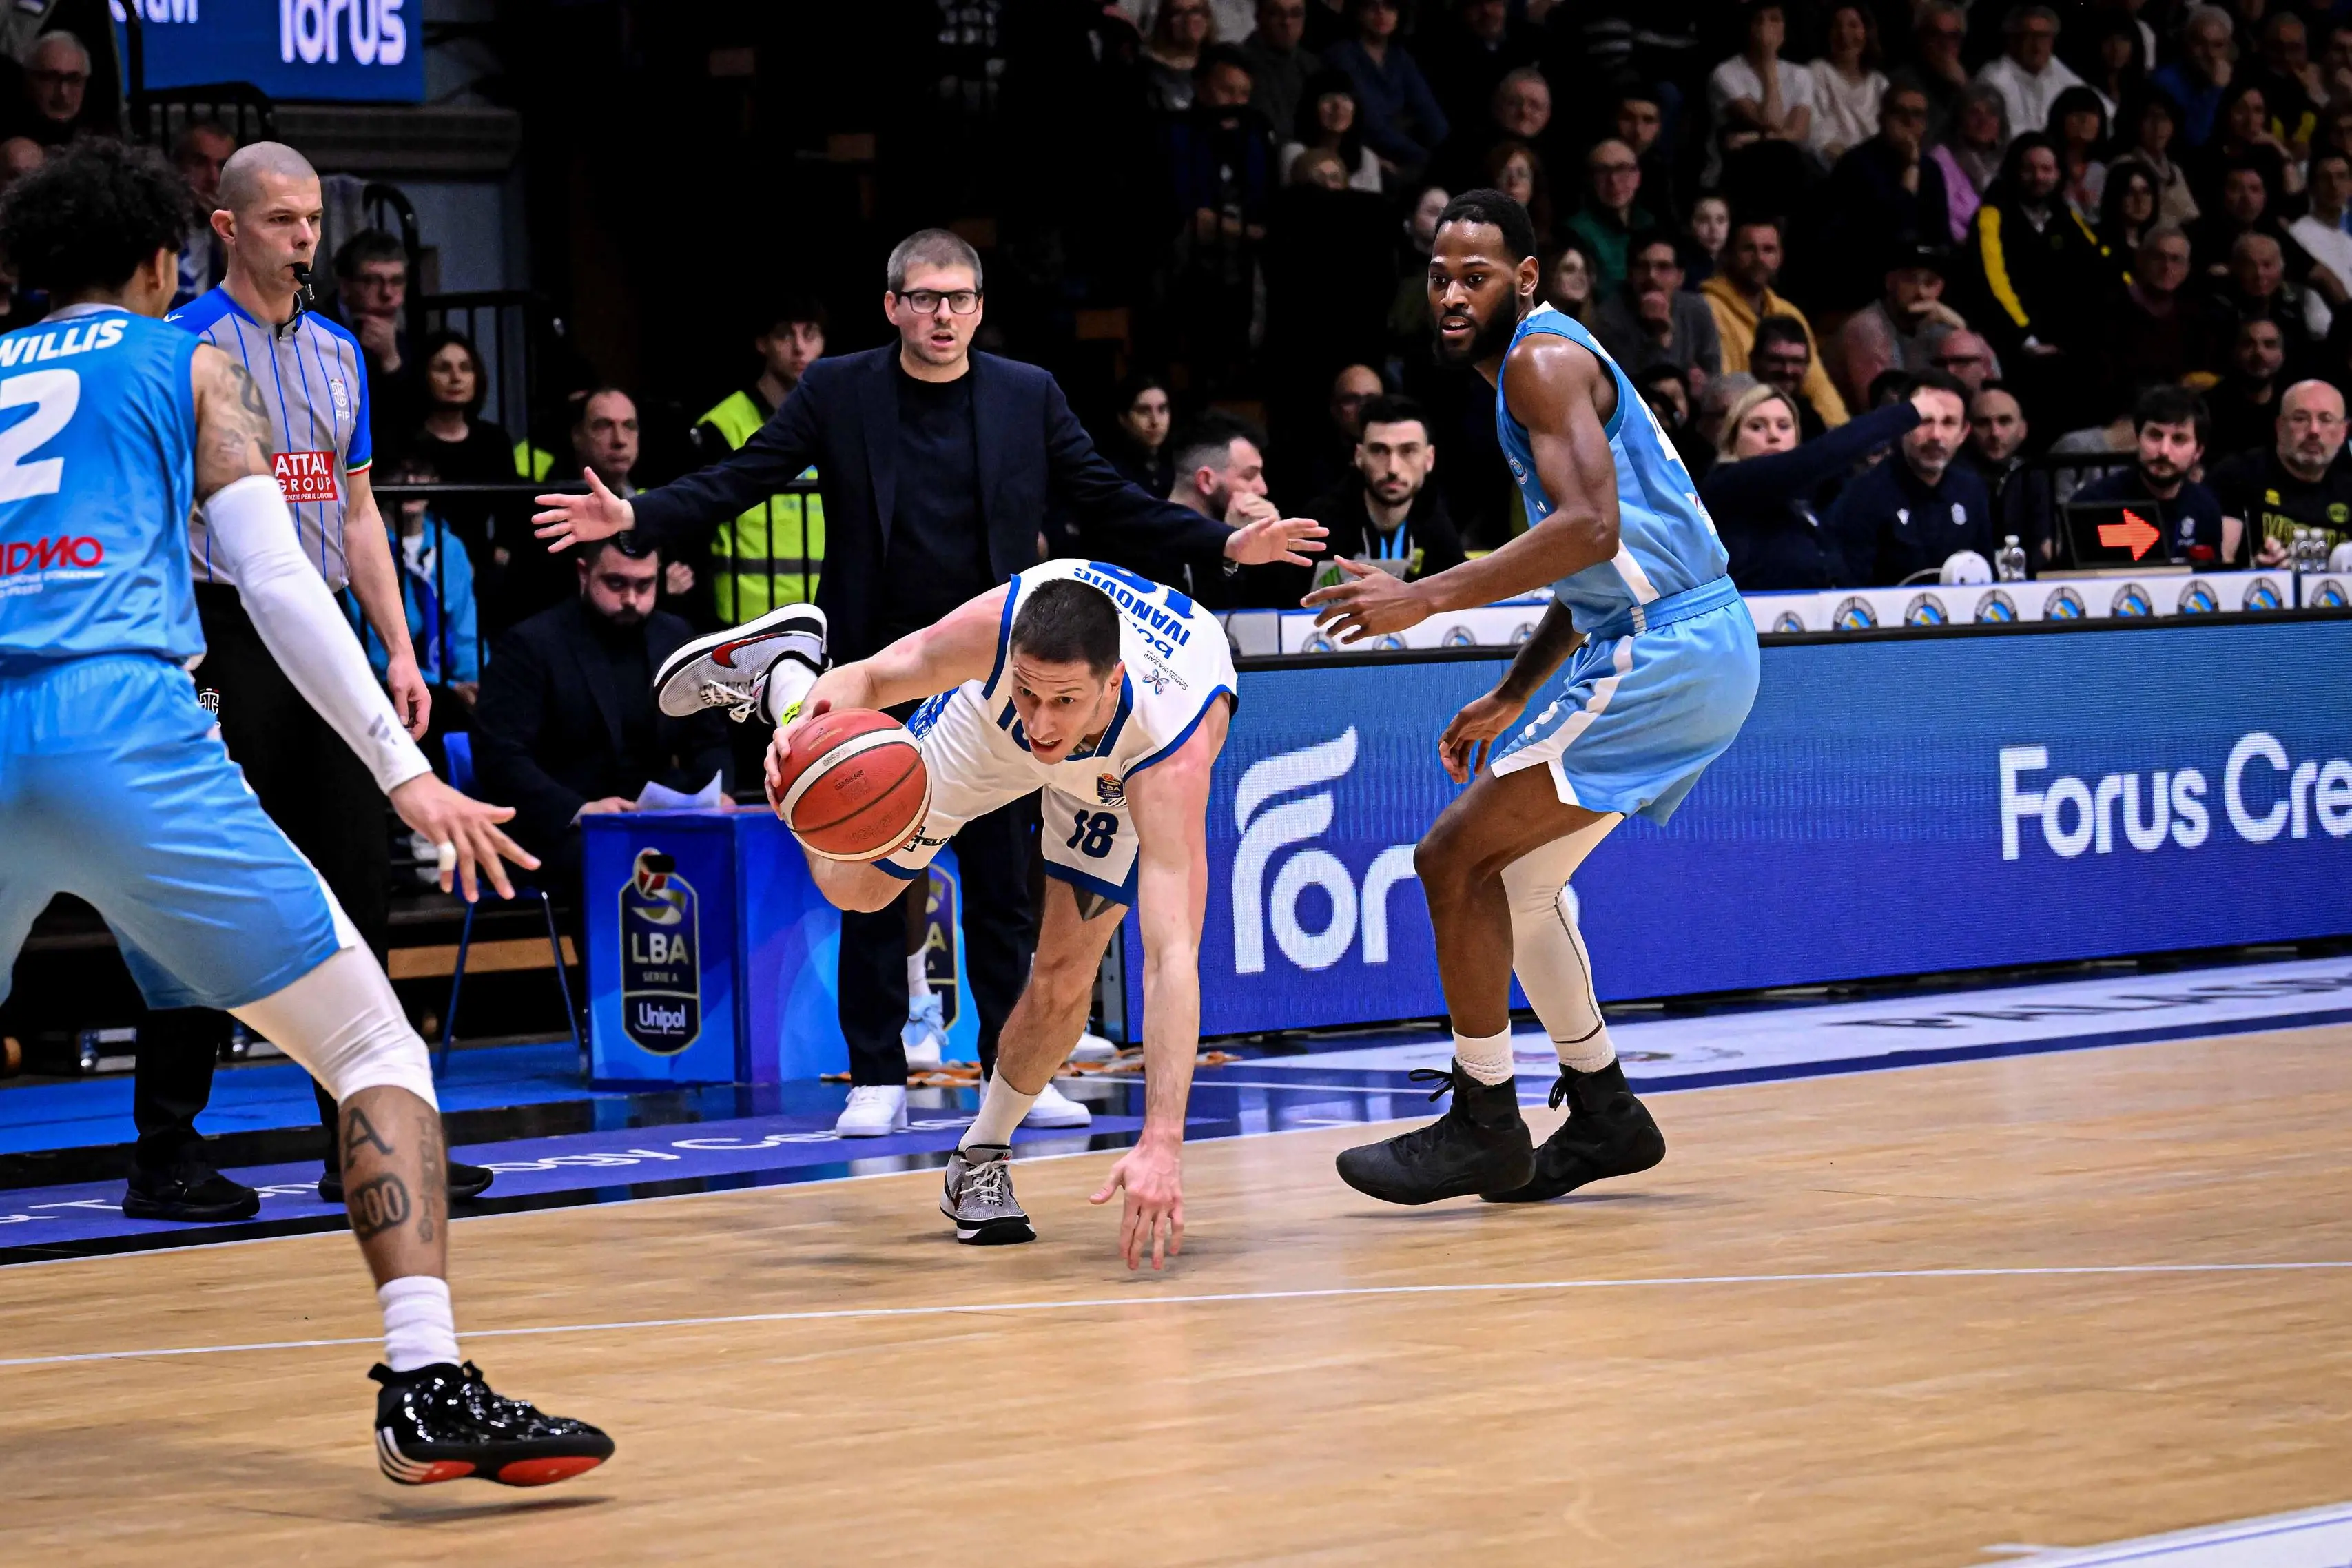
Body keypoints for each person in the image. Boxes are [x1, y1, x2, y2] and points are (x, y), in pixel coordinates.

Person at [0, 138, 609, 1486]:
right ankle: (427, 1381)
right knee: (374, 1042)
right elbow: (280, 580)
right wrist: (405, 768)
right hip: (125, 716)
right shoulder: (185, 360)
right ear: (161, 259)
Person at [530, 228, 1322, 1137]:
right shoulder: (839, 389)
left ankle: (1010, 1071)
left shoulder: (1027, 393)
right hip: (884, 659)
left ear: (980, 309)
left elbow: (1107, 499)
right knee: (868, 852)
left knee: (1002, 879)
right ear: (892, 306)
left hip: (999, 663)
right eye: (924, 297)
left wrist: (1224, 542)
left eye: (958, 298)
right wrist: (636, 516)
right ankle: (876, 1073)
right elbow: (743, 477)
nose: (942, 314)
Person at [1301, 188, 1758, 1209]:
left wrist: (1423, 596)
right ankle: (1603, 1108)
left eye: (1475, 276)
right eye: (1438, 277)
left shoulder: (1539, 362)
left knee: (1449, 857)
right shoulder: (1535, 365)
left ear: (1525, 278)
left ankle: (1485, 1117)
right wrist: (1515, 690)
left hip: (1667, 647)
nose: (1452, 295)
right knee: (1516, 884)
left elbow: (1590, 529)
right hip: (1666, 640)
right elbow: (1592, 558)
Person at [676, 563, 1238, 1268]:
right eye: (1030, 692)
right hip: (985, 733)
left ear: (1111, 682)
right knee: (856, 887)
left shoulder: (1171, 749)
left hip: (1113, 779)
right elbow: (871, 678)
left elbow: (1170, 957)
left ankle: (980, 1157)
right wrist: (802, 739)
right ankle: (785, 675)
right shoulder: (995, 632)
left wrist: (1162, 1140)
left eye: (1064, 699)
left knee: (1065, 977)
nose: (1043, 721)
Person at [156, 143, 495, 1217]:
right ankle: (164, 1147)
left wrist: (396, 647)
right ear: (227, 227)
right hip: (217, 631)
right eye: (281, 220)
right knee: (202, 883)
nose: (304, 237)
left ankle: (362, 1141)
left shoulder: (341, 353)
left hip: (323, 631)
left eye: (312, 219)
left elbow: (356, 516)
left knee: (355, 884)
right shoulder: (179, 350)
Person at [472, 533, 734, 883]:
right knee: (621, 860)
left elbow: (709, 739)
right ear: (584, 573)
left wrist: (720, 794)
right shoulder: (531, 645)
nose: (631, 599)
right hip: (560, 827)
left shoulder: (674, 637)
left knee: (741, 849)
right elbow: (500, 758)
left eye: (644, 585)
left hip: (654, 819)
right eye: (616, 584)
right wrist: (580, 810)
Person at [1705, 381, 1937, 589]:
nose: (1773, 435)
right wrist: (1907, 413)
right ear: (1732, 440)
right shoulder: (1727, 484)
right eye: (1757, 426)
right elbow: (1826, 453)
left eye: (1784, 426)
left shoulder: (1802, 508)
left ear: (1797, 439)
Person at [690, 297, 829, 625]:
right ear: (762, 343)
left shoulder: (838, 420)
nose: (799, 347)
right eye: (785, 335)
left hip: (822, 619)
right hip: (743, 622)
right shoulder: (721, 426)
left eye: (810, 334)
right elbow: (695, 528)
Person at [1271, 393, 1465, 602]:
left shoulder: (1440, 525)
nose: (1393, 468)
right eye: (1379, 451)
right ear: (1359, 456)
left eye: (1408, 451)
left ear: (1429, 459)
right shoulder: (1320, 524)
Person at [1824, 371, 1992, 583]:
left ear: (1964, 433)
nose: (1936, 435)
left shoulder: (1971, 490)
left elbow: (1987, 578)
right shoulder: (1864, 494)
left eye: (1949, 423)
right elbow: (1851, 589)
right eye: (1925, 421)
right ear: (1902, 425)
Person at [354, 453, 481, 708]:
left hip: (455, 694)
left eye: (421, 472)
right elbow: (375, 647)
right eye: (399, 473)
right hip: (385, 688)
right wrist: (447, 688)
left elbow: (467, 630)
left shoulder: (451, 548)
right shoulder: (363, 549)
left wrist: (474, 682)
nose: (411, 482)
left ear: (435, 481)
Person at [1702, 216, 1850, 429]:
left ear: (1780, 257)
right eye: (1749, 249)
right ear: (1728, 254)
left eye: (1768, 250)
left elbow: (1818, 387)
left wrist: (1842, 434)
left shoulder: (1789, 312)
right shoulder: (1707, 308)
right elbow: (1725, 390)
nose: (1759, 258)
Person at [2072, 384, 2232, 564]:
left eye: (2179, 439)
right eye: (2155, 436)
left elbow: (2211, 576)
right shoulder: (2092, 504)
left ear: (2198, 452)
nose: (2164, 450)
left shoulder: (2205, 508)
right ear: (2138, 439)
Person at [2209, 378, 2352, 565]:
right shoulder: (2237, 475)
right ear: (2279, 427)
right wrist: (2257, 573)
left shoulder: (2348, 484)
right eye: (2300, 419)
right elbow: (2221, 563)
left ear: (2344, 432)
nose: (2314, 430)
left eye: (2326, 420)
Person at [1323, 0, 1448, 176]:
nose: (1381, 13)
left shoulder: (1400, 56)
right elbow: (1370, 123)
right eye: (1372, 5)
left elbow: (1429, 111)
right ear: (1358, 11)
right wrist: (1424, 157)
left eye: (1389, 6)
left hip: (1407, 150)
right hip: (1365, 151)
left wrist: (1447, 150)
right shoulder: (1342, 55)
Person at [1835, 243, 1968, 408]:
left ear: (1941, 287)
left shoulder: (1941, 325)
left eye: (1930, 282)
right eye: (1911, 280)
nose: (1921, 292)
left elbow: (1987, 388)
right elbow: (1886, 408)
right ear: (1890, 282)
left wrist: (1961, 328)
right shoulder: (1867, 328)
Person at [331, 229, 420, 466]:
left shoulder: (407, 340)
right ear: (345, 285)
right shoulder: (314, 329)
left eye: (397, 281)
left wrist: (391, 360)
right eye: (372, 281)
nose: (387, 293)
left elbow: (414, 421)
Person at [1590, 234, 1722, 385]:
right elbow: (1629, 385)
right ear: (1630, 274)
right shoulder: (1610, 317)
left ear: (1680, 277)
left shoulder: (1697, 309)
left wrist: (1703, 383)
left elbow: (1714, 374)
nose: (1651, 276)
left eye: (1663, 267)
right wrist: (1660, 335)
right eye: (1642, 267)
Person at [1963, 384, 2058, 568]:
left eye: (2004, 421)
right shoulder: (1953, 478)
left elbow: (2044, 544)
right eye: (1983, 423)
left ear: (2022, 430)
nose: (1995, 433)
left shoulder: (2035, 477)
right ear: (1967, 430)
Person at [1976, 6, 2085, 152]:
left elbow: (2103, 110)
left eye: (2044, 37)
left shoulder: (2056, 69)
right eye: (2030, 36)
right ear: (2013, 40)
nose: (2037, 45)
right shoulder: (1994, 78)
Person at [1927, 82, 2010, 245]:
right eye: (1974, 113)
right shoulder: (1940, 159)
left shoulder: (2007, 161)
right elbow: (1945, 218)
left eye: (1992, 114)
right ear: (1959, 121)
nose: (1983, 121)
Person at [1808, 3, 1888, 166]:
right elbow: (1817, 135)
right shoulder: (1818, 72)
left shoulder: (1880, 83)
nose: (1844, 33)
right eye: (1837, 26)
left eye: (1853, 25)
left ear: (1866, 33)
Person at [1280, 70, 1381, 192]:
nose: (1338, 106)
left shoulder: (1367, 157)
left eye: (1345, 98)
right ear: (1311, 107)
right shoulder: (1294, 152)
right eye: (1327, 98)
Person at [169, 119, 233, 309]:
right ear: (178, 167)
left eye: (222, 166)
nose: (213, 177)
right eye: (200, 163)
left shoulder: (238, 234)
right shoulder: (158, 229)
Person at [2204, 316, 2287, 460]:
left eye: (2269, 344)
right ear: (2235, 352)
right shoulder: (2210, 406)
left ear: (2282, 355)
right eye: (2249, 344)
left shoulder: (2293, 405)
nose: (2259, 352)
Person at [2154, 5, 2236, 151]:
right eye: (2201, 44)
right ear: (2187, 44)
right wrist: (2215, 90)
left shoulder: (2236, 78)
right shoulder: (2165, 82)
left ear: (2228, 49)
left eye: (2218, 45)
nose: (2210, 54)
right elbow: (2193, 139)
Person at [1239, 0, 1320, 141]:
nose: (1287, 22)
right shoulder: (1241, 65)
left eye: (1295, 14)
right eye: (1276, 13)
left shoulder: (1313, 65)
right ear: (1259, 17)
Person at [1751, 315, 1833, 442]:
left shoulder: (1809, 420)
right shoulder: (1737, 414)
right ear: (1754, 361)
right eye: (1776, 360)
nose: (1787, 370)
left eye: (1796, 361)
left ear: (1807, 366)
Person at [2289, 150, 2352, 301]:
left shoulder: (2348, 240)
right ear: (2312, 186)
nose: (2334, 185)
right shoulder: (2298, 235)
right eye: (2325, 178)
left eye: (2341, 177)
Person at [1102, 371, 1176, 498]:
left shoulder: (1178, 464)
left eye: (1162, 409)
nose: (1155, 421)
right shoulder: (1111, 474)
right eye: (1143, 411)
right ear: (1123, 418)